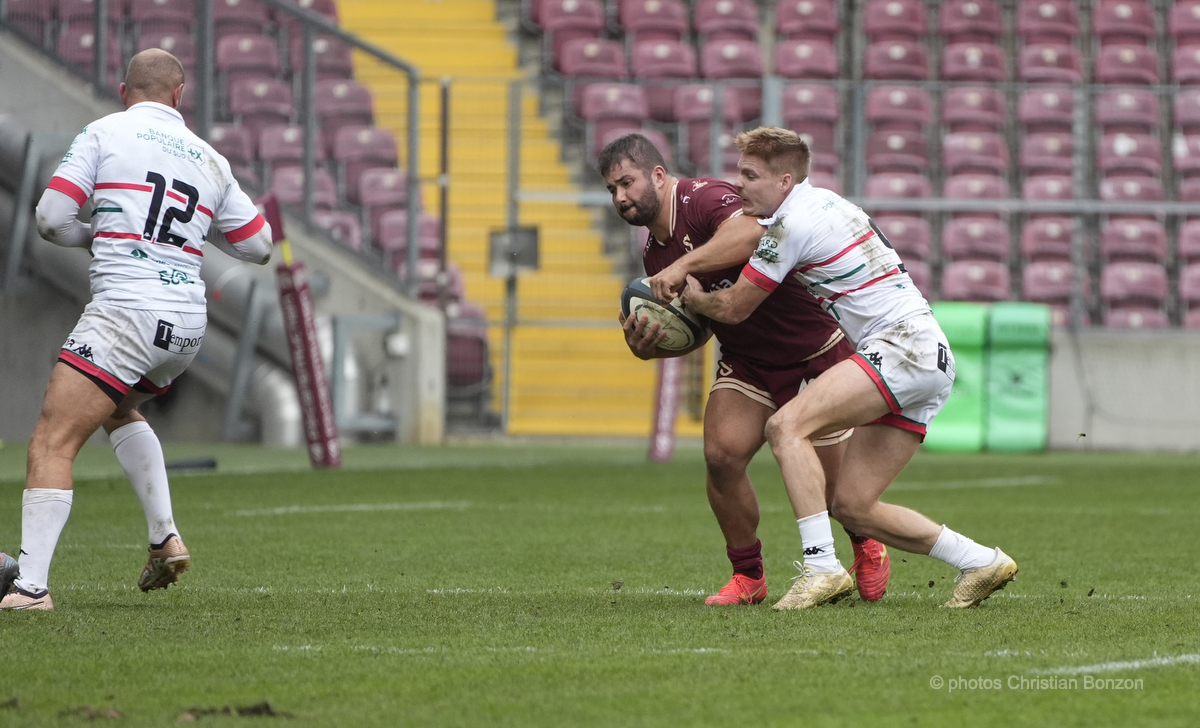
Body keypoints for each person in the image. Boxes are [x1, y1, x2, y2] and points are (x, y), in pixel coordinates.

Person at [659, 127, 1017, 610]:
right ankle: (981, 561)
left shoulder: (789, 225)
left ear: (784, 181)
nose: (738, 184)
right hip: (928, 355)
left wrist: (696, 296)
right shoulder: (827, 202)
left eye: (750, 175)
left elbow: (736, 307)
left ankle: (821, 568)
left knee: (785, 427)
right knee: (853, 506)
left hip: (901, 346)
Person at [0, 49, 273, 611]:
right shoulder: (210, 158)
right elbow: (259, 245)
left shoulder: (104, 133)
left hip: (126, 311)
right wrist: (189, 237)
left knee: (53, 439)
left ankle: (30, 588)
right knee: (117, 407)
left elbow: (50, 219)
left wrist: (98, 235)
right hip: (185, 326)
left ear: (125, 92)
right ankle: (164, 537)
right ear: (179, 95)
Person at [600, 133, 891, 607]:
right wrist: (650, 348)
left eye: (627, 183)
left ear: (658, 175)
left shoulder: (703, 198)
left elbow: (754, 232)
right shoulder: (654, 252)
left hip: (812, 351)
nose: (620, 197)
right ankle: (748, 575)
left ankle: (866, 543)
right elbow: (700, 326)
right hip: (748, 361)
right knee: (721, 456)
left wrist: (684, 266)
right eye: (612, 189)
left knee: (838, 495)